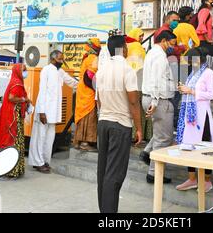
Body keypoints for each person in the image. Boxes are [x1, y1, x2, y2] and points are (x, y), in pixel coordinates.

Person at [96, 35, 143, 213]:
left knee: (103, 171)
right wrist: (139, 128)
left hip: (104, 122)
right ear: (123, 49)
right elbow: (133, 102)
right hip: (120, 124)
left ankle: (104, 210)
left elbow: (98, 100)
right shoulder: (127, 70)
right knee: (114, 174)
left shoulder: (102, 70)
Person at [175, 47, 213, 193]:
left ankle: (207, 181)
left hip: (202, 114)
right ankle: (192, 179)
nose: (189, 64)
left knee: (205, 145)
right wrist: (184, 89)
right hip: (190, 113)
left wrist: (192, 91)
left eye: (191, 61)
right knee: (189, 144)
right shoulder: (193, 74)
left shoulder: (209, 74)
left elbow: (211, 94)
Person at [28, 50, 78, 174]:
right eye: (60, 59)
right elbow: (42, 92)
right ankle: (37, 163)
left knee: (49, 138)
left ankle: (45, 161)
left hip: (54, 113)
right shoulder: (46, 70)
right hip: (44, 112)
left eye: (62, 59)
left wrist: (88, 84)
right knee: (41, 137)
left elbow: (72, 82)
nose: (62, 61)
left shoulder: (60, 72)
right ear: (53, 59)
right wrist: (42, 112)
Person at [141, 31, 177, 184]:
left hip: (151, 98)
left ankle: (147, 152)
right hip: (159, 100)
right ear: (164, 41)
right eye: (172, 44)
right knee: (164, 138)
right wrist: (155, 102)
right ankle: (154, 174)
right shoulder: (160, 56)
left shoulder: (151, 53)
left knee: (160, 133)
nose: (173, 47)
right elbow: (156, 79)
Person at [0, 63, 30, 178]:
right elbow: (11, 98)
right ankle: (10, 170)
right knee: (12, 141)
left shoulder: (15, 80)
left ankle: (11, 170)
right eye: (24, 70)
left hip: (14, 114)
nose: (26, 72)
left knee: (13, 141)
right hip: (13, 116)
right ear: (18, 71)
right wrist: (24, 99)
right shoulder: (17, 83)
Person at [74, 38, 101, 152]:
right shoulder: (93, 58)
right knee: (89, 115)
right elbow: (89, 76)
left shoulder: (86, 56)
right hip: (88, 90)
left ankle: (79, 141)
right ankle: (85, 143)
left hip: (82, 90)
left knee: (82, 114)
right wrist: (96, 89)